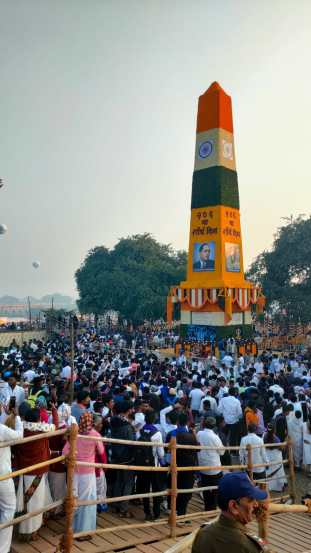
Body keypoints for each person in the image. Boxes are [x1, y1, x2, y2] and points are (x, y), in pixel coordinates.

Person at [192, 472, 270, 553]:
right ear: (233, 506)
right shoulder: (249, 546)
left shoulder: (203, 535)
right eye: (250, 500)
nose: (256, 504)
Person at [15, 408, 56, 541]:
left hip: (25, 470)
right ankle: (32, 532)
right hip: (37, 471)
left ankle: (26, 530)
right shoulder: (41, 428)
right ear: (38, 419)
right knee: (35, 503)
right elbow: (55, 426)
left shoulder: (21, 429)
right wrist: (54, 412)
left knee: (27, 500)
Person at [63, 412, 105, 539]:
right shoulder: (95, 435)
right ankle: (84, 532)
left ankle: (72, 528)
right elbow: (102, 453)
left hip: (74, 472)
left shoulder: (75, 434)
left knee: (74, 499)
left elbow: (65, 451)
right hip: (88, 474)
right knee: (87, 502)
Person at [0, 406, 23, 553]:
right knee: (9, 509)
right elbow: (19, 436)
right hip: (2, 476)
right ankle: (3, 549)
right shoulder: (1, 429)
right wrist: (18, 417)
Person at [135, 410, 165, 521]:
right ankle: (156, 512)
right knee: (157, 489)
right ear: (154, 420)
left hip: (142, 465)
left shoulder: (139, 431)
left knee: (145, 489)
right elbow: (161, 453)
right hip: (154, 465)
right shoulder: (157, 433)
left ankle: (147, 512)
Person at [197, 417, 225, 511]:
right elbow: (222, 452)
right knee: (216, 488)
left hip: (203, 465)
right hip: (214, 467)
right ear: (214, 426)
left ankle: (208, 506)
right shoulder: (215, 437)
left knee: (205, 487)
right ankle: (213, 506)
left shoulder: (199, 433)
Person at [263, 424, 287, 492]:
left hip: (268, 457)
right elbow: (280, 448)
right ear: (274, 430)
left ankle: (269, 486)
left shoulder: (264, 437)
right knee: (278, 471)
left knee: (269, 472)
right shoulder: (276, 439)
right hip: (276, 457)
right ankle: (279, 487)